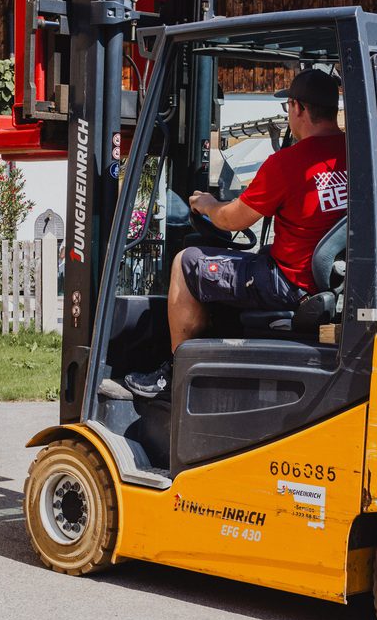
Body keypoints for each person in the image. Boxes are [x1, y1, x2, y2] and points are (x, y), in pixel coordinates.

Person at [119, 68, 348, 399]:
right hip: (339, 283)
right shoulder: (372, 159)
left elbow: (232, 220)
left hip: (291, 285)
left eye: (288, 108)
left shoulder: (288, 163)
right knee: (258, 256)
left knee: (188, 262)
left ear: (297, 107)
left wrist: (208, 204)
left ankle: (177, 379)